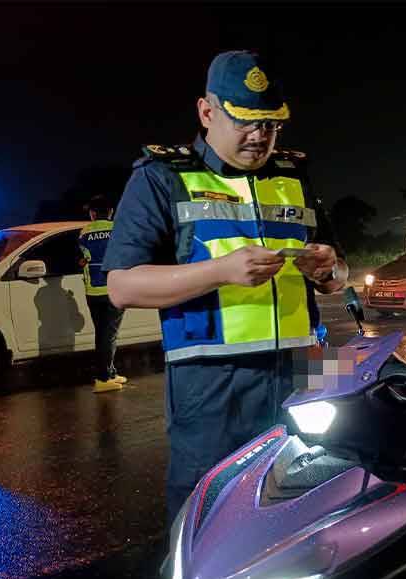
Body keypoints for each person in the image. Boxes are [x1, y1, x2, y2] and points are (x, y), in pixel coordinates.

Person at [103, 50, 347, 524]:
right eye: (245, 121)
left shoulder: (293, 176)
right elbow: (122, 287)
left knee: (304, 503)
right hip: (212, 381)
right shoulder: (161, 177)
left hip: (303, 371)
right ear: (207, 112)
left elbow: (337, 278)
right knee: (210, 515)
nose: (260, 135)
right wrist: (219, 271)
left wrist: (327, 271)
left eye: (271, 124)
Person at [79, 194, 127, 393]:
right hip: (113, 289)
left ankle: (111, 372)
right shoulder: (118, 229)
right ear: (111, 212)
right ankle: (103, 378)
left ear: (92, 214)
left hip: (92, 291)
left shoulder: (84, 232)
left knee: (103, 333)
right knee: (109, 335)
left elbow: (82, 258)